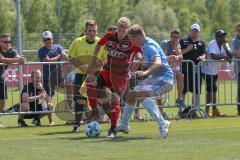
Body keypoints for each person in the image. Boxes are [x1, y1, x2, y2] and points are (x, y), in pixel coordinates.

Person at [115, 24, 173, 139]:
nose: (131, 41)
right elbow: (147, 57)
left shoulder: (149, 46)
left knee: (140, 95)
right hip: (156, 78)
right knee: (132, 95)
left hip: (164, 79)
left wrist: (145, 73)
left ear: (137, 37)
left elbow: (158, 62)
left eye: (131, 38)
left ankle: (163, 124)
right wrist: (138, 64)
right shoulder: (145, 44)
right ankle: (124, 125)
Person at [87, 17, 142, 138]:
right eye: (120, 30)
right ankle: (99, 111)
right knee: (92, 83)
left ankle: (113, 128)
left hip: (121, 76)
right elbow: (99, 45)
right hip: (107, 70)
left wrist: (136, 64)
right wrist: (94, 59)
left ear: (128, 31)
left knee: (115, 99)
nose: (122, 34)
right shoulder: (109, 36)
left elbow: (144, 52)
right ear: (117, 28)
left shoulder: (132, 42)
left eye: (125, 31)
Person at [68, 20, 106, 132]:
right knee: (80, 100)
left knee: (102, 99)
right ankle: (77, 125)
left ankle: (113, 123)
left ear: (97, 31)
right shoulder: (77, 42)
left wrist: (100, 63)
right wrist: (81, 66)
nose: (91, 33)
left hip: (97, 75)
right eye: (89, 31)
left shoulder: (101, 42)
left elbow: (107, 58)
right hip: (81, 74)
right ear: (85, 31)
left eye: (94, 31)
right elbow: (70, 57)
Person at [38, 31, 68, 125]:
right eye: (45, 39)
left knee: (70, 89)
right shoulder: (41, 50)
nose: (47, 41)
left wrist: (64, 55)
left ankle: (73, 114)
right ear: (43, 40)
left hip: (59, 77)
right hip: (48, 79)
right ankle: (50, 120)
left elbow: (65, 56)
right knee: (48, 100)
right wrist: (59, 56)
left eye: (49, 39)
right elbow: (47, 61)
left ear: (52, 39)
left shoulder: (58, 47)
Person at [201, 30, 232, 117]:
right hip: (207, 70)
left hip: (215, 71)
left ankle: (212, 110)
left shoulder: (225, 44)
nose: (224, 37)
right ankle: (209, 110)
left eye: (224, 35)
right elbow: (214, 56)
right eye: (222, 36)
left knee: (212, 90)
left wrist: (226, 48)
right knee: (212, 89)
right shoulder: (213, 44)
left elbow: (231, 56)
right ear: (217, 37)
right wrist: (225, 57)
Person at [0, 33, 26, 128]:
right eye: (5, 42)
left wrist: (22, 59)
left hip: (0, 78)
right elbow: (2, 60)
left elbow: (21, 59)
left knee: (2, 100)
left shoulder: (12, 51)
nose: (8, 43)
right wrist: (15, 59)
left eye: (9, 41)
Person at [160, 28, 186, 113]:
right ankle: (161, 111)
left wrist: (177, 55)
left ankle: (179, 98)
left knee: (181, 76)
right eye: (173, 36)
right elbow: (162, 56)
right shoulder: (165, 43)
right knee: (159, 91)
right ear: (170, 37)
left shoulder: (177, 45)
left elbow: (181, 57)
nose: (175, 39)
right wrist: (172, 57)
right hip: (161, 69)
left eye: (177, 37)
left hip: (170, 70)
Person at [180, 23, 206, 107]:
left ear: (199, 32)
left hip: (197, 71)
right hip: (185, 70)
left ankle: (194, 110)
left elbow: (204, 53)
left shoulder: (201, 43)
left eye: (196, 31)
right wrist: (187, 49)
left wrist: (202, 57)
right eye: (193, 30)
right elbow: (179, 54)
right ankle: (182, 111)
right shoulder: (183, 41)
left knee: (197, 91)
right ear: (190, 31)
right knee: (183, 91)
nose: (194, 32)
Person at [232, 22, 240, 116]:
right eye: (238, 29)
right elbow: (238, 54)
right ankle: (239, 109)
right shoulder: (235, 41)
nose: (239, 31)